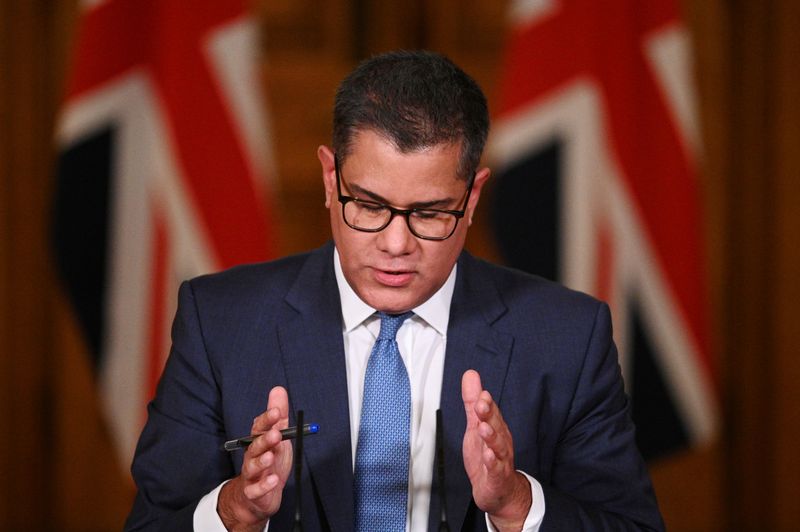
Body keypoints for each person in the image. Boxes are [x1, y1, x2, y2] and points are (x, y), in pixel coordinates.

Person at [125, 50, 664, 531]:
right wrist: (236, 511)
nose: (396, 243)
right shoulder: (220, 321)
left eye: (429, 213)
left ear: (472, 198)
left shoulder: (568, 337)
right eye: (370, 205)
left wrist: (515, 504)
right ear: (330, 179)